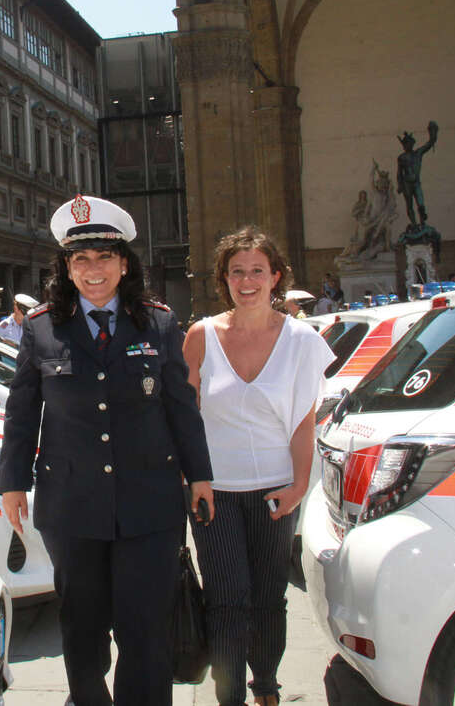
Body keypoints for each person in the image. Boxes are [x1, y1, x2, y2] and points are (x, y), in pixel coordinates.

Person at [0, 195, 215, 706]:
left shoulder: (158, 323)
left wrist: (199, 476)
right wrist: (13, 482)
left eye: (104, 258)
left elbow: (181, 407)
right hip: (72, 505)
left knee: (146, 628)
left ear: (124, 264)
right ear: (67, 268)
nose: (93, 270)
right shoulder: (42, 327)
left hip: (149, 502)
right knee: (82, 627)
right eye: (81, 259)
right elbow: (22, 411)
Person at [181, 227, 334, 706]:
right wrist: (192, 479)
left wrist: (299, 486)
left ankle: (266, 686)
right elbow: (185, 417)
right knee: (226, 601)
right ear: (223, 278)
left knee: (269, 599)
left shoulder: (301, 340)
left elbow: (303, 422)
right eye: (237, 272)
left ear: (275, 277)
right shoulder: (201, 336)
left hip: (275, 492)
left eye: (257, 271)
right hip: (214, 493)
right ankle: (229, 697)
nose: (247, 281)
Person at [396, 121, 438, 227]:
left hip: (416, 182)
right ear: (403, 146)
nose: (407, 146)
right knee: (409, 205)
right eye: (406, 144)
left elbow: (429, 143)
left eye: (409, 143)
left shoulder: (418, 153)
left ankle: (422, 222)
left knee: (420, 203)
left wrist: (433, 133)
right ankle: (414, 224)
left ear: (412, 144)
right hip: (406, 183)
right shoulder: (401, 157)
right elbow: (399, 173)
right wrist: (400, 185)